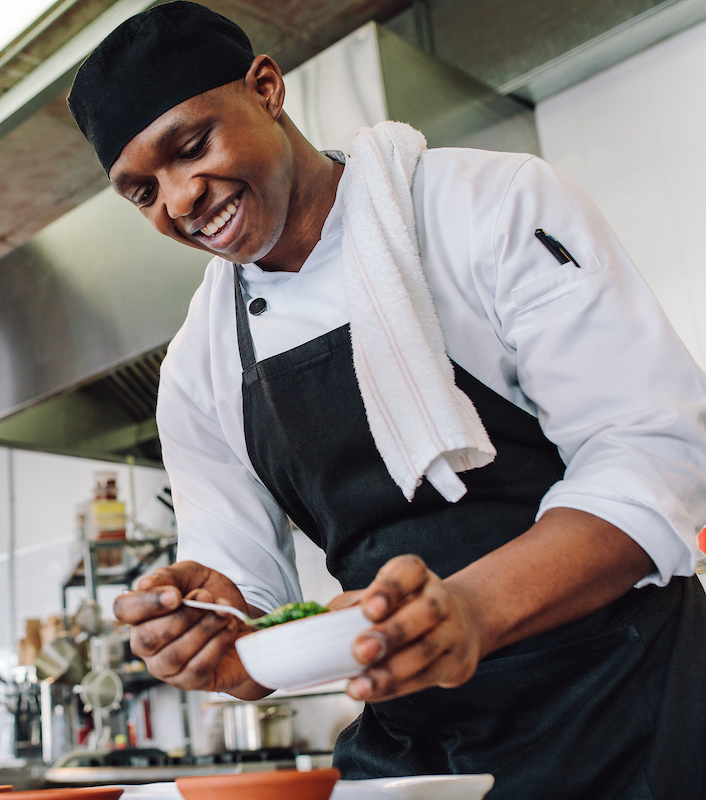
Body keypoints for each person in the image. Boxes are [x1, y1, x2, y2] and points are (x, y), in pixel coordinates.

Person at [66, 3, 706, 798]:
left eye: (192, 146)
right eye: (142, 193)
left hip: (622, 711)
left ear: (267, 87)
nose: (180, 199)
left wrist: (468, 610)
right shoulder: (200, 366)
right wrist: (217, 632)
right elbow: (248, 596)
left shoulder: (490, 207)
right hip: (415, 745)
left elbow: (653, 457)